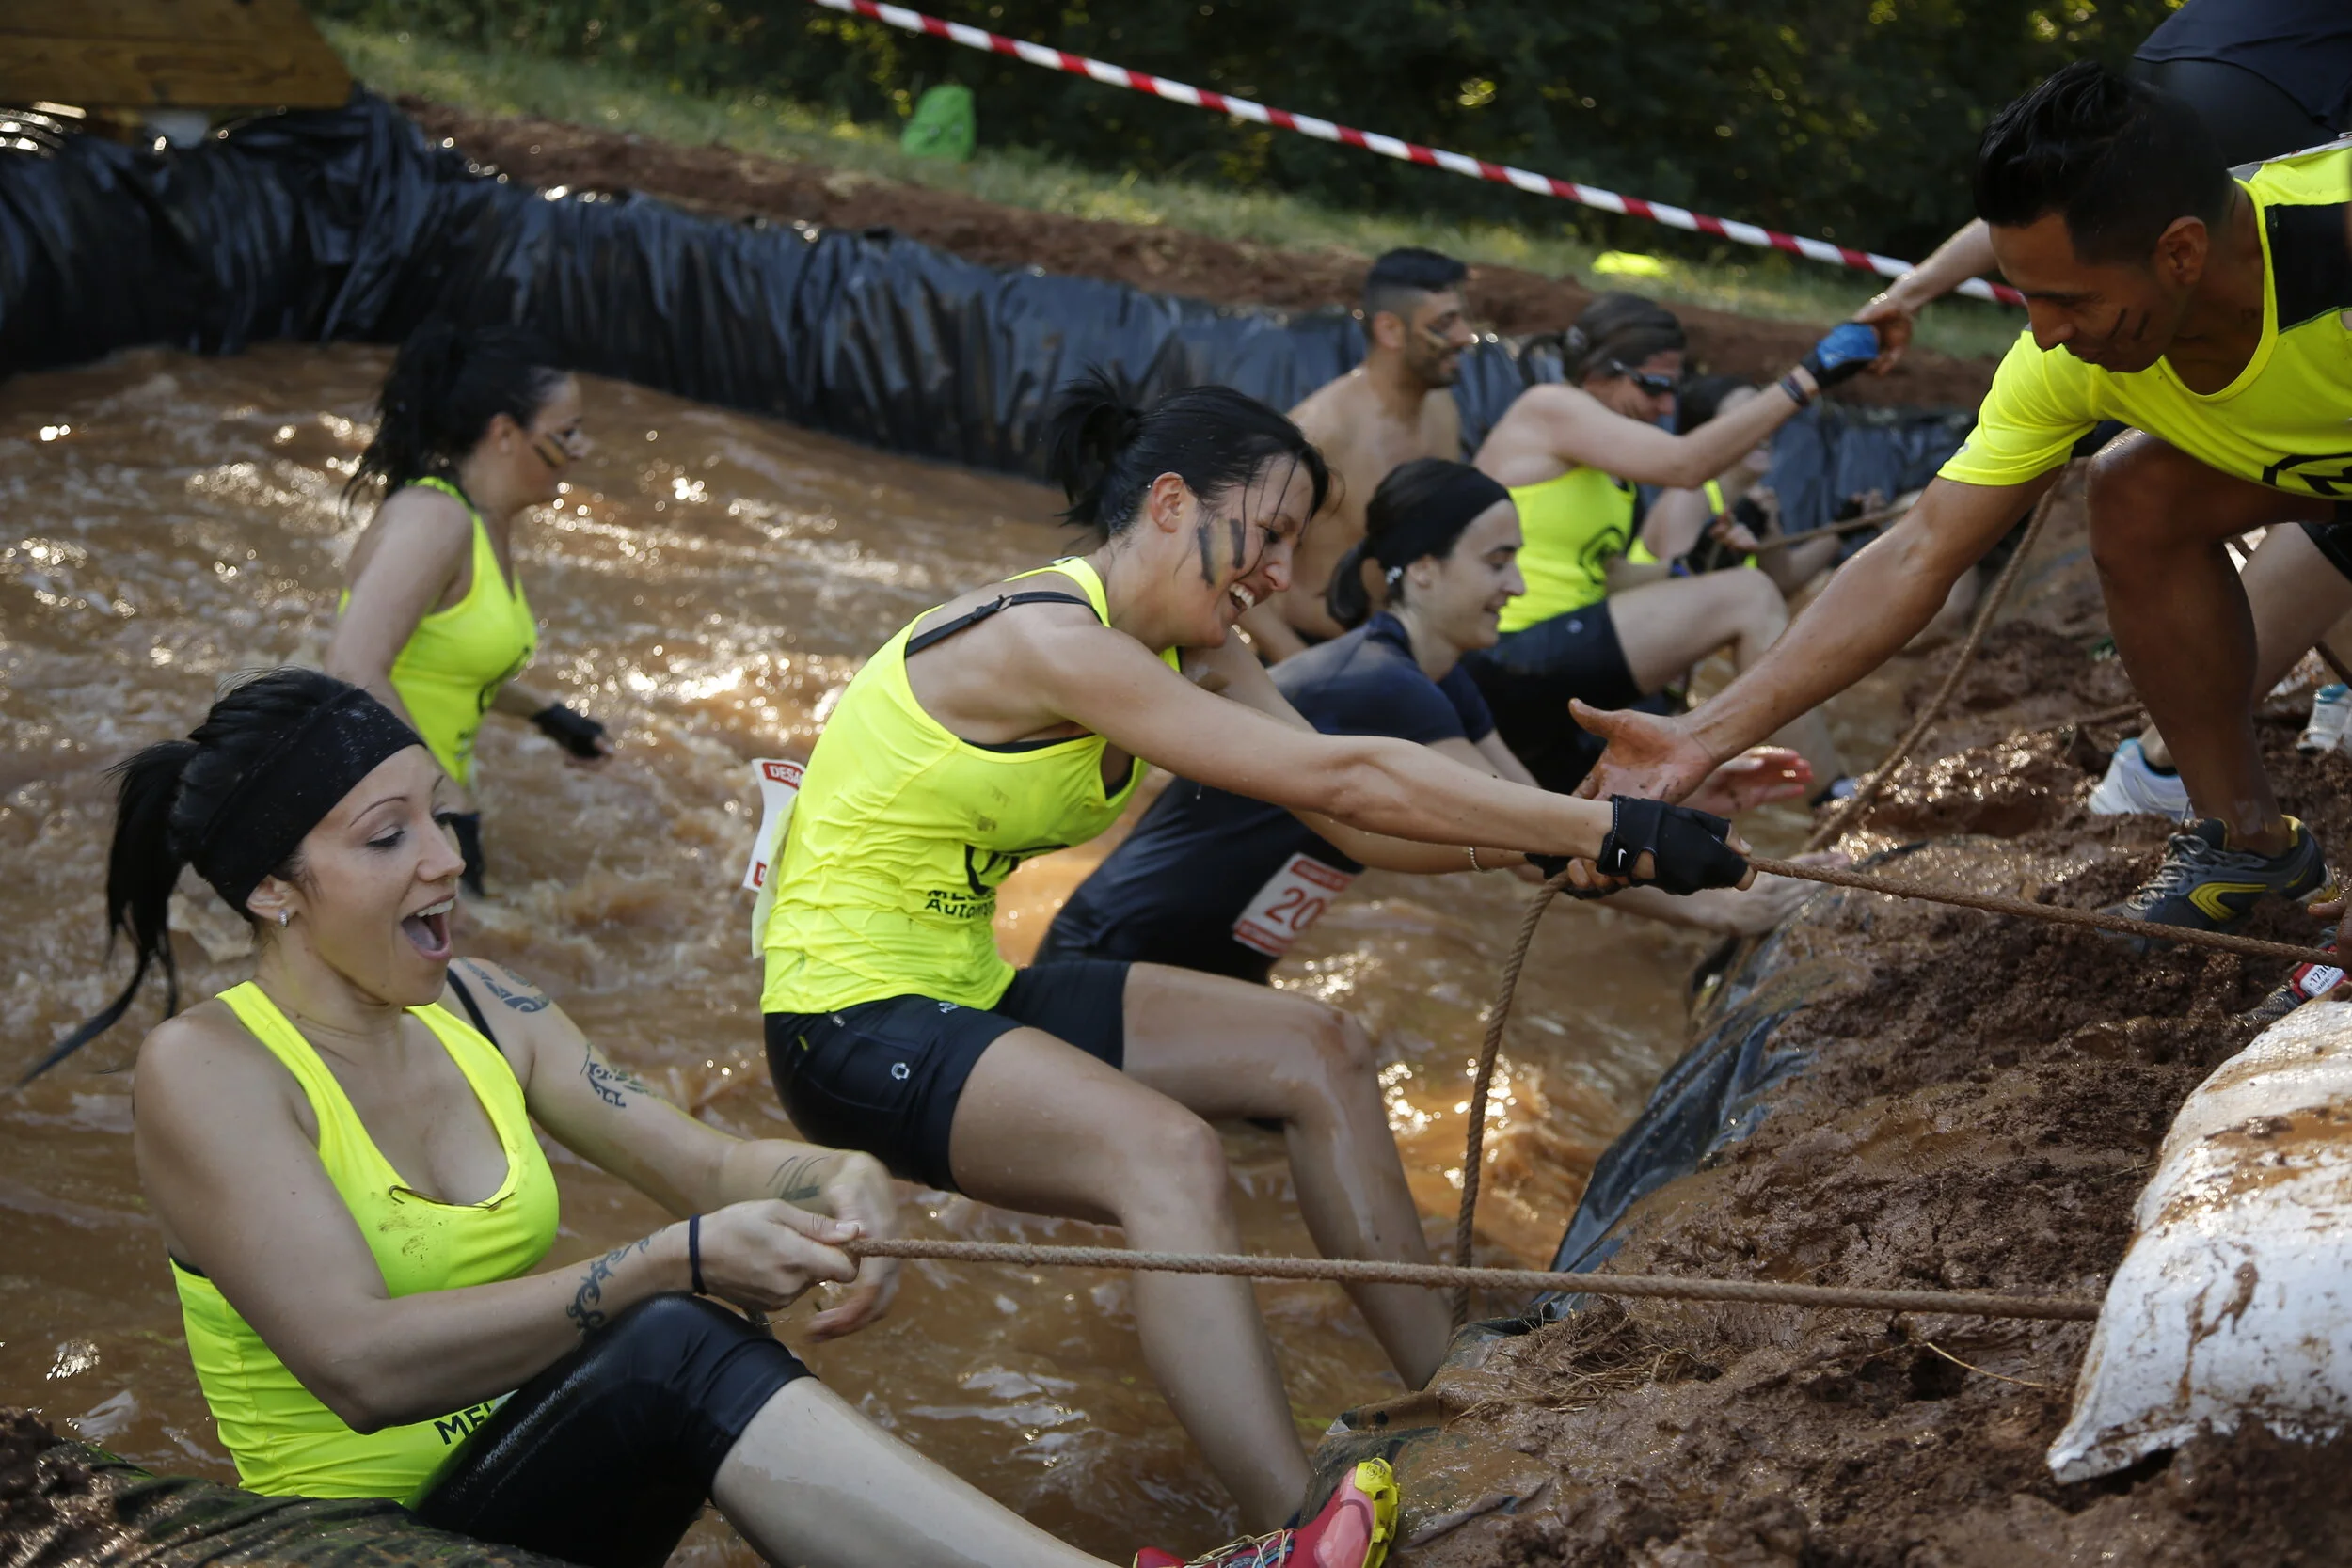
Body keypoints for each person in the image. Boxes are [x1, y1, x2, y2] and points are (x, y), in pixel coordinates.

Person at [36, 669, 1398, 1568]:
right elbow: (359, 1365)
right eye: (386, 836)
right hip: (363, 1541)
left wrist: (829, 1168)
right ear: (274, 889)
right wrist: (660, 1263)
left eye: (439, 817)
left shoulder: (487, 1001)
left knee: (685, 1331)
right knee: (678, 1331)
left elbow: (705, 1157)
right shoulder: (208, 1068)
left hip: (538, 1488)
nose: (447, 855)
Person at [757, 374, 1753, 1528]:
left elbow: (1349, 821)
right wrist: (1602, 827)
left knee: (1316, 1043)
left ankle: (1455, 1391)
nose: (1281, 575)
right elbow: (1346, 773)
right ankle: (1293, 1526)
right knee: (1171, 1156)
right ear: (1173, 503)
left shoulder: (1192, 644)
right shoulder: (1048, 639)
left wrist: (1571, 853)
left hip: (967, 993)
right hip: (846, 1022)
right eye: (1270, 533)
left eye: (1294, 541)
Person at [1580, 62, 2352, 943]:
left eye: (2070, 299)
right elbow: (1919, 551)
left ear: (2180, 251)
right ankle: (2247, 844)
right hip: (2322, 467)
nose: (2048, 333)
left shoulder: (2335, 243)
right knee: (2134, 490)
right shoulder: (2061, 361)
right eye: (2028, 298)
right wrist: (1700, 735)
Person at [1041, 458, 1818, 981]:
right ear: (1423, 570)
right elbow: (1533, 848)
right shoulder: (1381, 685)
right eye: (1496, 561)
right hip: (1116, 957)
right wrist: (1717, 905)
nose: (1516, 585)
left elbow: (1550, 819)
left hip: (1215, 964)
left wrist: (1682, 786)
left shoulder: (1444, 683)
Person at [1462, 293, 1878, 796]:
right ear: (1598, 370)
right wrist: (1806, 378)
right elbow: (1686, 466)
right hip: (1506, 653)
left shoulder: (1604, 466)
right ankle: (1834, 796)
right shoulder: (1550, 406)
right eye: (1654, 386)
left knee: (1617, 856)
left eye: (1671, 393)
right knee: (1747, 595)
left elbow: (1604, 575)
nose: (1664, 407)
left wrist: (1686, 570)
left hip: (1547, 660)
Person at [327, 322, 614, 899]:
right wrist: (434, 797)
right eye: (568, 432)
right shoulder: (435, 520)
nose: (582, 449)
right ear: (506, 433)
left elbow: (440, 665)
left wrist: (549, 717)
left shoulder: (484, 524)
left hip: (417, 810)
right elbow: (351, 665)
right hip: (387, 817)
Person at [1240, 248, 1477, 658]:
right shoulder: (1320, 432)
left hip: (1410, 648)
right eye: (1445, 323)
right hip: (1320, 651)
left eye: (1461, 318)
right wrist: (1299, 671)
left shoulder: (1443, 411)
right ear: (1390, 330)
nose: (1465, 336)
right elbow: (1230, 562)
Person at [1633, 374, 1846, 598]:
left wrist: (1842, 530)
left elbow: (1783, 580)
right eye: (1744, 423)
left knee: (1827, 587)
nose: (1762, 432)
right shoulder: (1687, 498)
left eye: (1763, 419)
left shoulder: (1757, 499)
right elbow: (1684, 595)